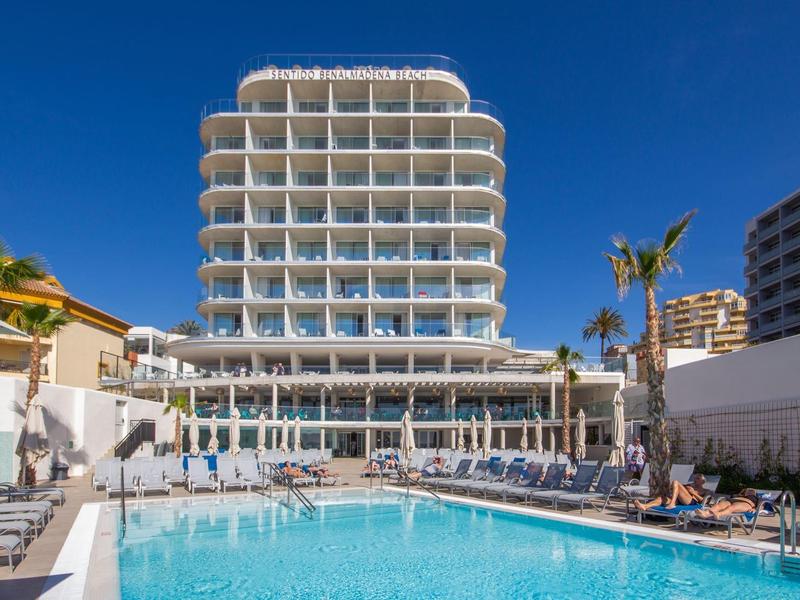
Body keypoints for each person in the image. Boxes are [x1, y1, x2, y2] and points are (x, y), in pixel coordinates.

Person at [633, 473, 709, 511]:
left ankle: (672, 504)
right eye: (695, 478)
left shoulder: (706, 491)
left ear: (703, 481)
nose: (695, 480)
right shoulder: (690, 485)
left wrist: (693, 493)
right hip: (679, 500)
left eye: (698, 478)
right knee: (662, 498)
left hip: (691, 502)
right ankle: (644, 506)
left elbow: (705, 501)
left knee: (675, 482)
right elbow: (677, 490)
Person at [694, 488, 760, 520]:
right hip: (731, 500)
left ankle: (719, 514)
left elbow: (761, 506)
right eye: (749, 490)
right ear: (745, 492)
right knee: (719, 505)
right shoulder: (738, 495)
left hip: (747, 503)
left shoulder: (756, 498)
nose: (751, 491)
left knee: (732, 507)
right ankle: (705, 513)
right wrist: (739, 495)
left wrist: (754, 509)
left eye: (752, 491)